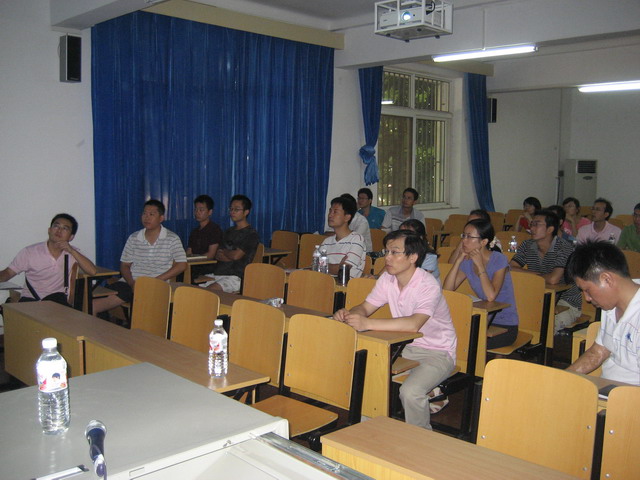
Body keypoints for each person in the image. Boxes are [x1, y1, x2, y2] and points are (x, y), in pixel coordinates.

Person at [334, 230, 457, 429]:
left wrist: (367, 324)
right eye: (386, 252)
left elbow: (414, 324)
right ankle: (368, 429)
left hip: (437, 351)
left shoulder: (428, 284)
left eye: (394, 252)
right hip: (403, 345)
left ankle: (419, 438)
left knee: (410, 392)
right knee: (366, 374)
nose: (387, 258)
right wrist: (350, 314)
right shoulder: (387, 279)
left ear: (413, 257)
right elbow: (365, 307)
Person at [92, 200, 187, 314]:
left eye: (151, 214)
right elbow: (124, 265)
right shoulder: (134, 237)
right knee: (103, 294)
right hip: (131, 282)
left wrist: (155, 281)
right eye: (144, 213)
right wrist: (132, 283)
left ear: (161, 218)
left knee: (129, 295)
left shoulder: (172, 238)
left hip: (157, 285)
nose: (147, 217)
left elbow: (182, 265)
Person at [566, 241, 640, 385]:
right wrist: (561, 378)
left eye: (587, 290)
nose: (587, 299)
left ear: (607, 279)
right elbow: (598, 352)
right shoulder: (610, 306)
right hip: (607, 388)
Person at [444, 219, 519, 348]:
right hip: (482, 321)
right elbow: (447, 290)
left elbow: (491, 296)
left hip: (505, 324)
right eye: (463, 235)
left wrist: (480, 266)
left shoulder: (499, 259)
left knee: (465, 345)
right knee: (449, 338)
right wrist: (458, 260)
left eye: (469, 237)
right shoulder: (467, 261)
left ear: (483, 242)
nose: (463, 241)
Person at [510, 209, 582, 333]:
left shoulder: (564, 247)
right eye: (532, 224)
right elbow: (510, 268)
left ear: (550, 229)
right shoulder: (527, 245)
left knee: (546, 327)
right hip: (537, 297)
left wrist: (527, 274)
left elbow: (554, 279)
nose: (532, 228)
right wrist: (538, 276)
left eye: (537, 224)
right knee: (519, 321)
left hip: (566, 302)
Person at [0, 214, 97, 306]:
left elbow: (92, 271)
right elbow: (8, 272)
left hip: (56, 301)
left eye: (65, 228)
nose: (59, 230)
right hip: (31, 301)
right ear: (49, 230)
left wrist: (71, 251)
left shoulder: (73, 252)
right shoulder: (30, 251)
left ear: (71, 237)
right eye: (56, 226)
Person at [201, 195, 260, 293]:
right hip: (218, 273)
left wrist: (227, 253)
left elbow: (236, 256)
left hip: (236, 277)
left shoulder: (251, 234)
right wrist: (230, 255)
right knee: (192, 290)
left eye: (236, 209)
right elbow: (218, 254)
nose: (232, 212)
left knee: (209, 292)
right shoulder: (228, 231)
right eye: (231, 209)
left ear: (246, 212)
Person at [319, 196, 366, 278]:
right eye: (330, 211)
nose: (330, 215)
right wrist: (337, 266)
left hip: (346, 285)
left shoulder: (357, 239)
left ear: (347, 217)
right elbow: (316, 266)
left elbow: (344, 269)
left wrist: (324, 266)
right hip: (325, 283)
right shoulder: (326, 242)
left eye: (335, 212)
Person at [186, 194, 222, 277]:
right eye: (196, 209)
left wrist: (193, 259)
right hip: (193, 264)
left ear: (210, 212)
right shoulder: (194, 231)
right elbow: (189, 251)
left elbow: (211, 255)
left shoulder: (214, 229)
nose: (197, 212)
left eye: (201, 210)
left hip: (208, 266)